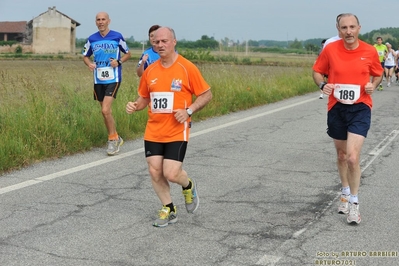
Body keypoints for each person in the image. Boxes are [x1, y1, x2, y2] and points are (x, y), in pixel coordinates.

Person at [126, 27, 212, 227]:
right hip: (154, 130)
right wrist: (135, 105)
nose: (160, 45)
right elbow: (144, 98)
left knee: (171, 173)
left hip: (176, 130)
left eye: (164, 41)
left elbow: (206, 94)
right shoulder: (151, 71)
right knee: (155, 171)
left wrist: (189, 111)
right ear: (152, 44)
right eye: (156, 42)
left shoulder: (186, 67)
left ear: (174, 42)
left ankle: (188, 185)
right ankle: (169, 208)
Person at [313, 13, 383, 225]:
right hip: (336, 108)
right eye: (344, 28)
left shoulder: (369, 51)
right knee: (342, 155)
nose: (349, 31)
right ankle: (344, 192)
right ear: (338, 30)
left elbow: (377, 73)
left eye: (352, 27)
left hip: (360, 107)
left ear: (359, 28)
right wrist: (322, 85)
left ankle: (354, 203)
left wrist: (374, 85)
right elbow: (317, 71)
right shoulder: (330, 50)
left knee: (353, 157)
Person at [82, 12, 131, 155]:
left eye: (103, 19)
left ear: (108, 21)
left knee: (105, 110)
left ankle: (112, 140)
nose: (101, 22)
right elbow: (85, 56)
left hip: (113, 78)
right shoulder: (92, 39)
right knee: (105, 112)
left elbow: (128, 53)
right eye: (98, 20)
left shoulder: (117, 36)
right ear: (95, 22)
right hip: (98, 79)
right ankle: (116, 137)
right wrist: (89, 64)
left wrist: (119, 61)